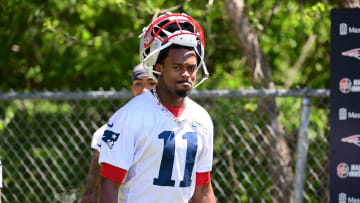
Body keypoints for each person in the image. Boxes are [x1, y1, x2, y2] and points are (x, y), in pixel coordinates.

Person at [99, 13, 216, 203]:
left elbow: (202, 189)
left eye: (191, 68)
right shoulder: (129, 117)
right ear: (159, 67)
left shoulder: (202, 118)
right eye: (177, 67)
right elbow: (109, 185)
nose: (186, 74)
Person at [80, 64, 157, 203]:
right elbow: (93, 188)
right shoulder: (109, 130)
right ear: (132, 89)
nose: (145, 90)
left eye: (151, 83)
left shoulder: (177, 128)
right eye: (138, 84)